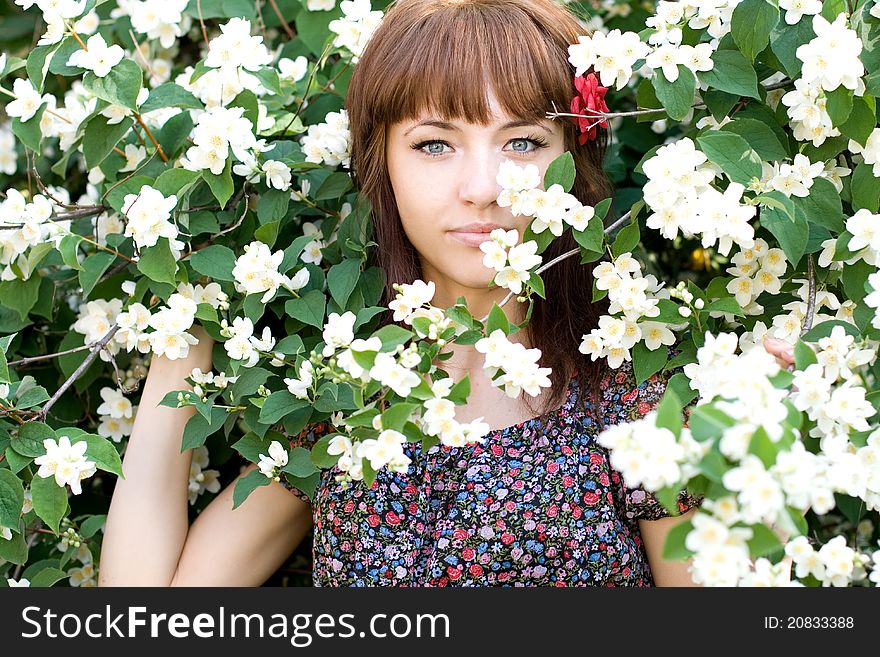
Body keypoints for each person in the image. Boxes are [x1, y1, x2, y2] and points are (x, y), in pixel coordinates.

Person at [99, 0, 796, 587]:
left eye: (522, 141)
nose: (483, 187)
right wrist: (181, 345)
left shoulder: (634, 398)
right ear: (382, 164)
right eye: (435, 144)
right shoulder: (346, 406)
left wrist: (752, 454)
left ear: (573, 165)